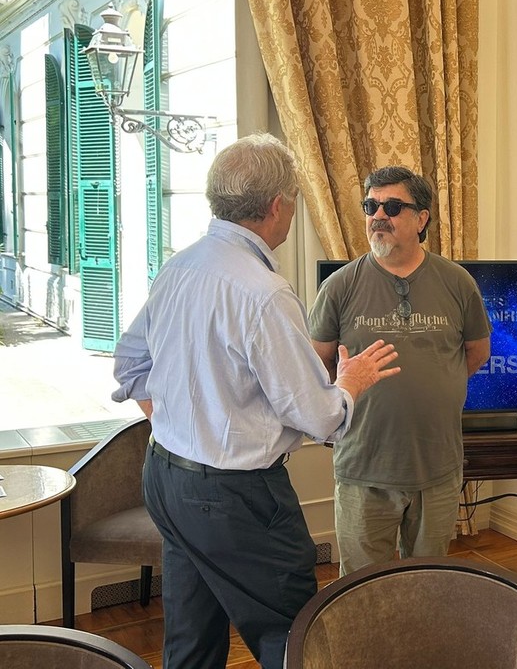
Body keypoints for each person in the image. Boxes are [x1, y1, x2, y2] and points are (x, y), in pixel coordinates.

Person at [111, 133, 400, 669]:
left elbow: (130, 364)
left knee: (191, 640)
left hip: (166, 477)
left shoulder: (178, 267)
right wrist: (352, 381)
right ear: (276, 206)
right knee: (296, 638)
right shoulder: (264, 293)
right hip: (235, 499)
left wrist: (184, 432)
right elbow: (319, 416)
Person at [308, 166, 491, 575]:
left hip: (437, 467)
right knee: (361, 590)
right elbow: (319, 362)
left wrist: (434, 384)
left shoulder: (457, 282)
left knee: (428, 584)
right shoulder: (339, 286)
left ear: (421, 218)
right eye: (370, 206)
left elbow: (476, 353)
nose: (378, 215)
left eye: (392, 207)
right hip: (363, 469)